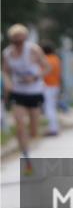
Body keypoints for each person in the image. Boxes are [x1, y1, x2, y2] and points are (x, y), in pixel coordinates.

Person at [2, 24, 52, 175]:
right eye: (15, 41)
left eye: (21, 40)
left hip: (35, 91)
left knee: (34, 130)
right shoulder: (7, 53)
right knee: (19, 124)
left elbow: (47, 67)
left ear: (25, 39)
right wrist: (8, 83)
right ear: (11, 40)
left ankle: (28, 146)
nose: (18, 43)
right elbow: (5, 71)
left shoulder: (33, 49)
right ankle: (26, 158)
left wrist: (35, 77)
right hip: (18, 92)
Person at [40, 42, 61, 136]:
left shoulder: (45, 59)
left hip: (47, 86)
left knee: (49, 108)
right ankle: (54, 127)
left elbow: (41, 73)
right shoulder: (56, 59)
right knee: (52, 107)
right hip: (56, 85)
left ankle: (53, 129)